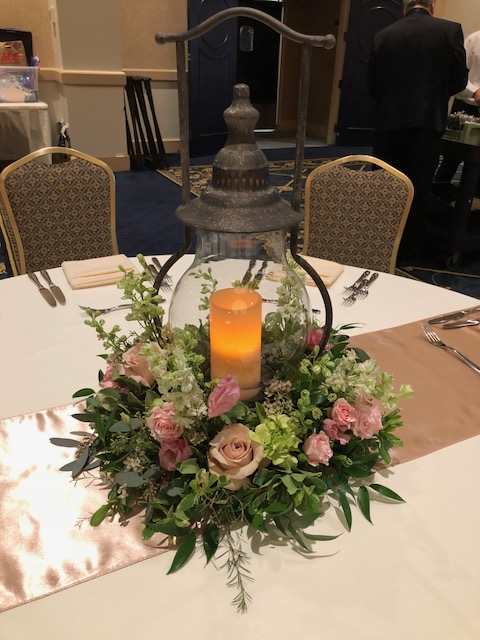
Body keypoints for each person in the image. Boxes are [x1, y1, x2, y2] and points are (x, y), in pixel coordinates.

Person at [368, 0, 468, 260]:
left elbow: (372, 84)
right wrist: (436, 95)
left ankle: (379, 246)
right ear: (431, 6)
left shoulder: (384, 35)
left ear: (406, 7)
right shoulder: (450, 30)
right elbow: (460, 81)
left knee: (385, 185)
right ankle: (409, 253)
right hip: (427, 121)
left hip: (388, 122)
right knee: (418, 187)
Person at [436, 30, 480, 185]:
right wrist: (474, 91)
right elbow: (457, 73)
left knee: (476, 165)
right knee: (451, 158)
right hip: (466, 107)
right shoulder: (474, 39)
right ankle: (439, 194)